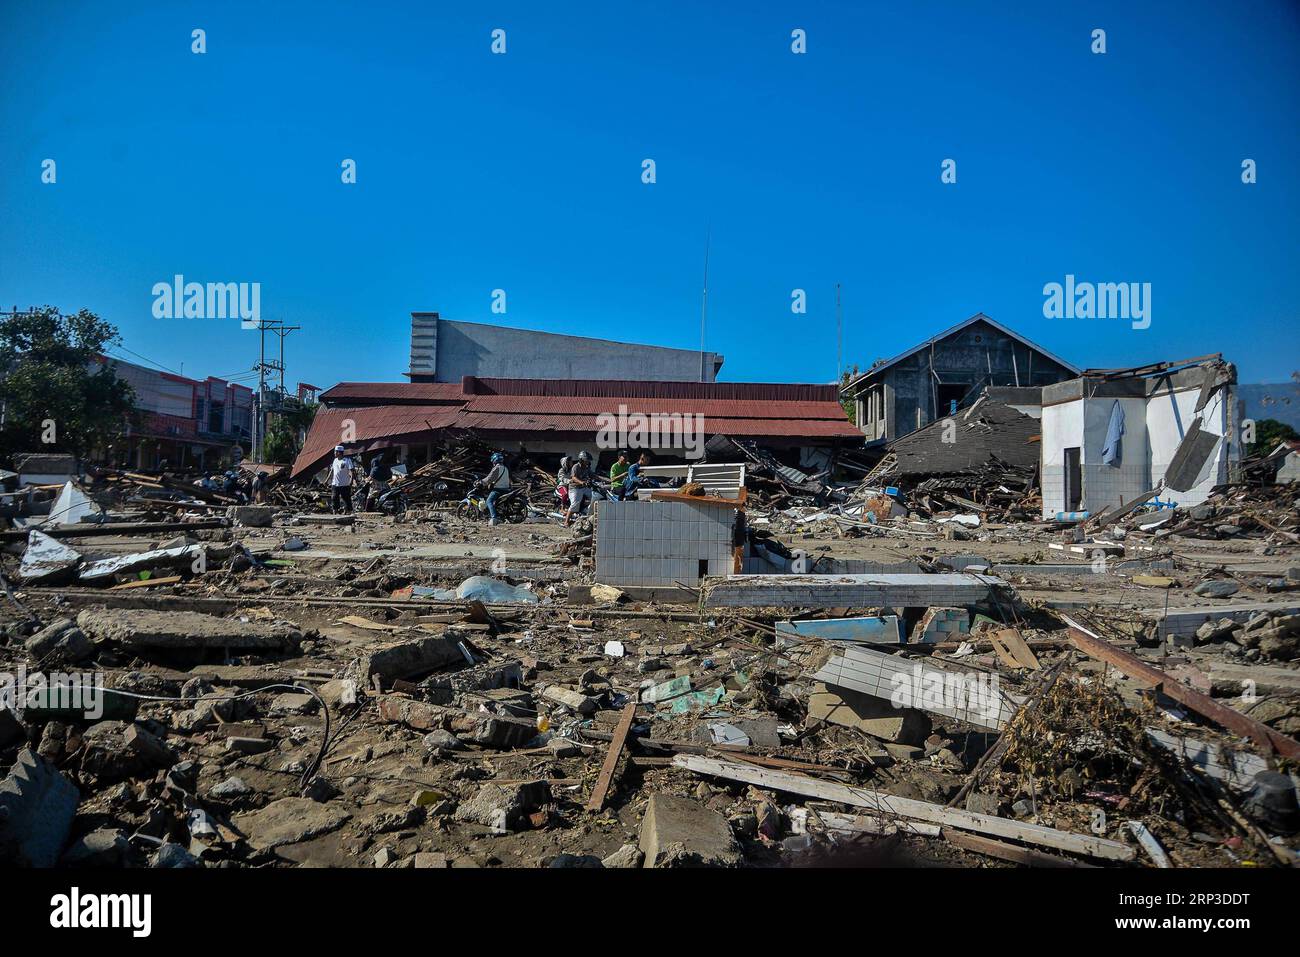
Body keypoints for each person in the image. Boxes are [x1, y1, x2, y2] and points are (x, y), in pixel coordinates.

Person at [564, 451, 593, 527]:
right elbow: (573, 477)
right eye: (587, 460)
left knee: (594, 496)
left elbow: (593, 475)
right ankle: (566, 521)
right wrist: (581, 482)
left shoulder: (587, 468)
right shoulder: (576, 467)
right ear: (582, 460)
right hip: (575, 488)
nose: (588, 462)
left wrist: (604, 479)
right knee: (575, 504)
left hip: (584, 487)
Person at [482, 452, 510, 526]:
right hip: (506, 489)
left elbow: (489, 478)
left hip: (498, 489)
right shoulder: (505, 468)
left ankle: (494, 518)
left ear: (494, 460)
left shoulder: (497, 468)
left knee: (489, 501)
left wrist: (481, 482)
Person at [329, 445, 356, 514]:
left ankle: (347, 511)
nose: (334, 453)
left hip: (345, 484)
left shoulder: (347, 460)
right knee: (334, 497)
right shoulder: (335, 460)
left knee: (346, 498)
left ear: (339, 452)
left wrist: (351, 481)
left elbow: (352, 471)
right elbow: (332, 471)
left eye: (335, 452)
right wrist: (327, 480)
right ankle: (335, 511)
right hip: (335, 483)